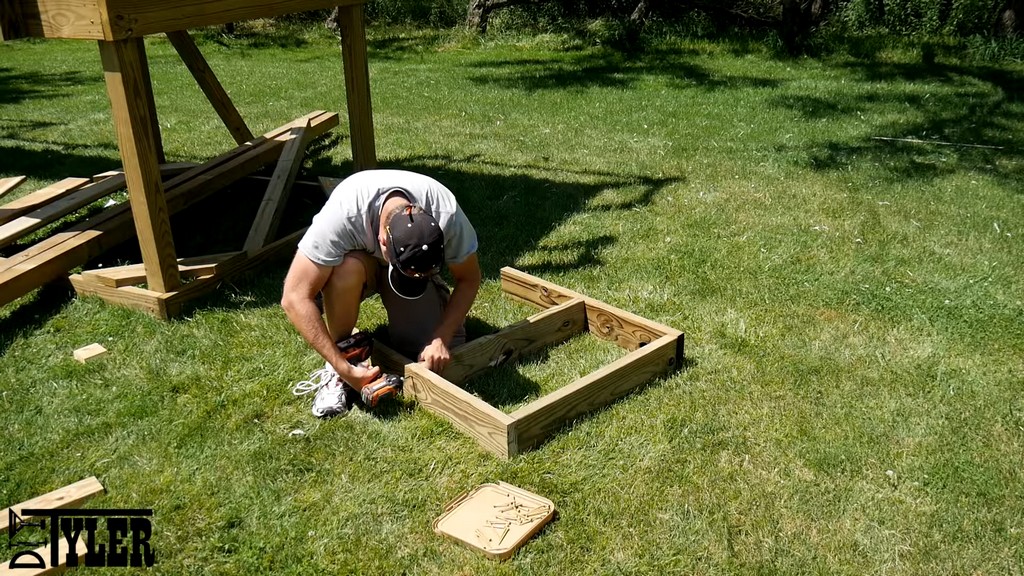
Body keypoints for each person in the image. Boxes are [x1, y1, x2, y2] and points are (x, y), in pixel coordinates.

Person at [281, 169, 481, 417]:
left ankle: (424, 295)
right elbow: (294, 297)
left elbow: (469, 278)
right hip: (358, 265)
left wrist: (440, 337)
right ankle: (344, 357)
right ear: (382, 241)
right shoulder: (344, 213)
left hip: (400, 260)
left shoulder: (446, 214)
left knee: (425, 349)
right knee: (345, 270)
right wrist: (342, 367)